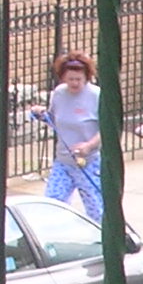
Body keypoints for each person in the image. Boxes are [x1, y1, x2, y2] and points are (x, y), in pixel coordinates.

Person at [41, 52, 102, 222]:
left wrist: (89, 145)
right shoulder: (59, 94)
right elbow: (54, 119)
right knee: (52, 203)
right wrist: (41, 114)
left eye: (78, 79)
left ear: (87, 78)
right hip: (63, 161)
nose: (74, 83)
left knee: (96, 209)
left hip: (88, 163)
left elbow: (106, 130)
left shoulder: (96, 96)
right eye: (70, 79)